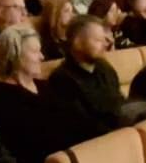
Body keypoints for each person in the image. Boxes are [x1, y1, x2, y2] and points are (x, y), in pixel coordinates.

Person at [0, 25, 72, 163]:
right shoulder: (0, 97)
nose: (42, 57)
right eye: (35, 51)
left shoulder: (45, 86)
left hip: (67, 159)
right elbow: (16, 150)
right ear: (13, 56)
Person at [44, 15, 125, 145]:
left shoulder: (105, 68)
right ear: (77, 43)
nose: (105, 44)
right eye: (97, 40)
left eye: (104, 39)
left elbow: (119, 101)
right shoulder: (61, 80)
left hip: (120, 136)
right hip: (95, 144)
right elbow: (83, 126)